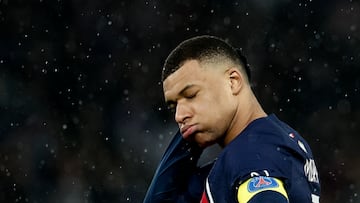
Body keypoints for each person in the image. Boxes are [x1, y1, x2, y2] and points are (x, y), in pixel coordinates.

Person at [143, 35, 321, 203]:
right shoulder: (273, 140)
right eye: (174, 106)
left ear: (233, 82)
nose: (179, 116)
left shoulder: (250, 155)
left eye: (191, 95)